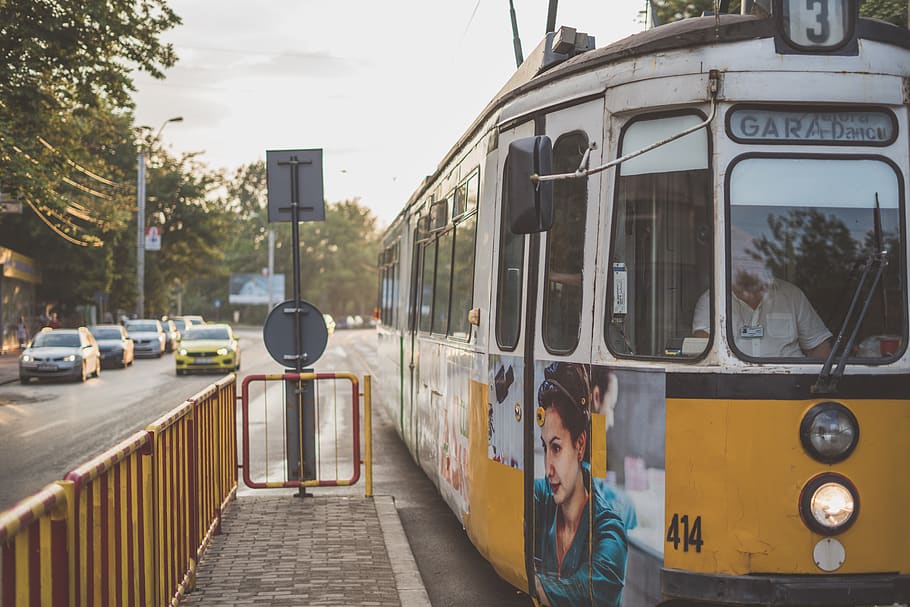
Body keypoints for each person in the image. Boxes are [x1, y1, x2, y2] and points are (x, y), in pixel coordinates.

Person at [533, 362, 628, 607]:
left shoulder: (610, 533)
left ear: (580, 445)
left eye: (556, 448)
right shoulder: (542, 496)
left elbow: (585, 591)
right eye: (545, 448)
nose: (548, 468)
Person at [692, 258, 832, 358]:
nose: (750, 264)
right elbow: (703, 352)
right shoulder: (713, 299)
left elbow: (819, 347)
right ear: (730, 261)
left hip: (790, 386)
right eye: (743, 258)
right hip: (732, 387)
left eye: (756, 257)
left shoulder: (792, 295)